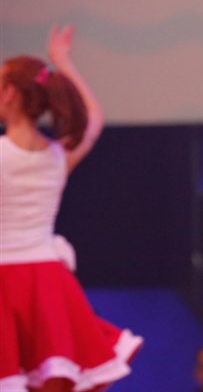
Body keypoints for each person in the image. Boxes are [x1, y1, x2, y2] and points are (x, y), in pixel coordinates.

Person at [0, 25, 143, 392]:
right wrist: (63, 62)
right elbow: (93, 120)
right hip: (46, 282)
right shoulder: (55, 156)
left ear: (11, 93)